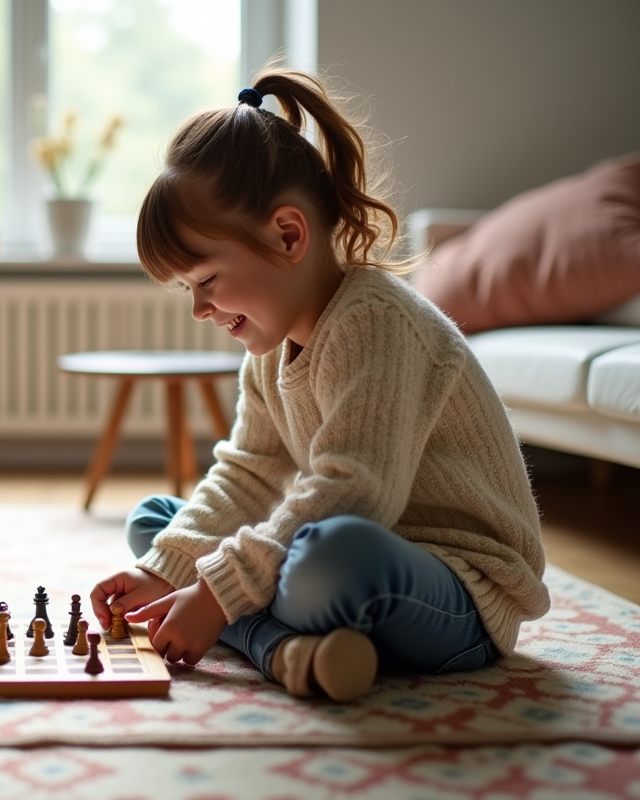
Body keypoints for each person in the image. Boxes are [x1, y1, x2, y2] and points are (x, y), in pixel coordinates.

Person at [89, 68, 549, 702]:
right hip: (337, 554)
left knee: (326, 558)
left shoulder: (375, 319)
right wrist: (165, 571)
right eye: (187, 289)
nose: (198, 309)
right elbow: (249, 473)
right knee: (155, 523)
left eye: (207, 280)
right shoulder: (269, 347)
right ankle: (287, 649)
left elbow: (355, 491)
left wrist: (216, 593)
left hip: (455, 591)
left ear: (288, 235)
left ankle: (257, 632)